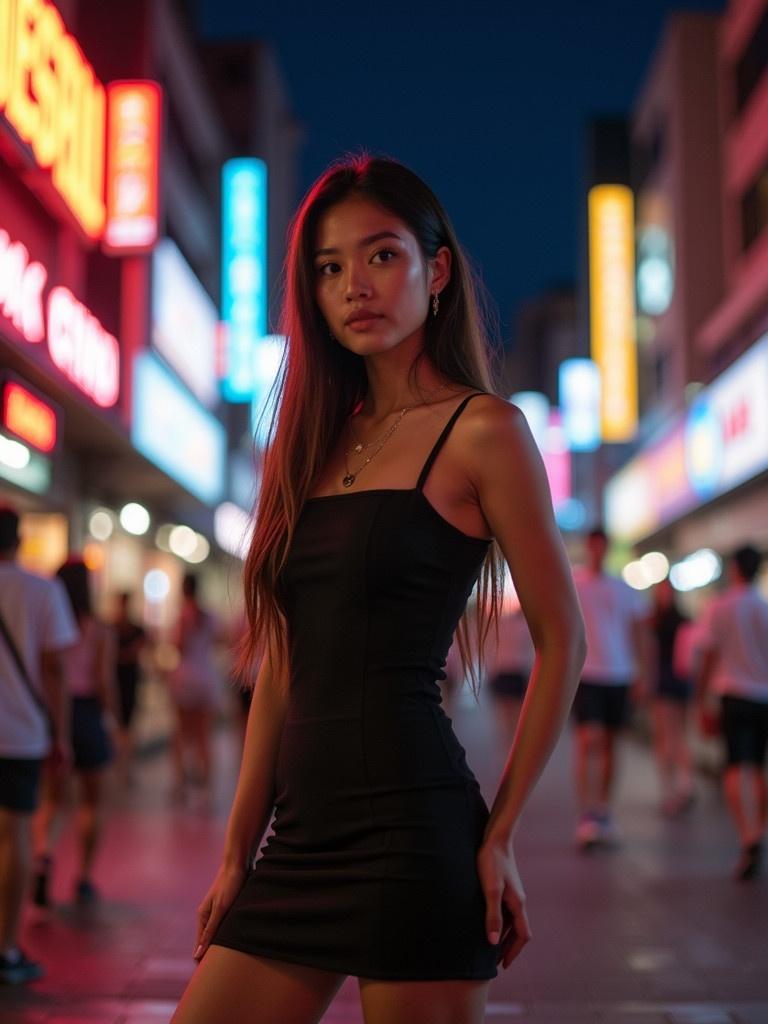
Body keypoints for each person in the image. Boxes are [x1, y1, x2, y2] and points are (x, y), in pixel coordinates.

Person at [172, 155, 586, 1024]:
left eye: (382, 255)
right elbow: (284, 667)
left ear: (436, 272)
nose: (355, 285)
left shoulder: (485, 433)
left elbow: (563, 640)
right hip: (301, 842)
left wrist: (500, 832)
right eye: (329, 267)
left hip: (417, 838)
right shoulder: (312, 442)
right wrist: (236, 856)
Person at [0, 505, 77, 984]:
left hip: (21, 733)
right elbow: (55, 670)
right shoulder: (42, 590)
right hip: (21, 733)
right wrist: (61, 734)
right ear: (18, 540)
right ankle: (6, 948)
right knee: (15, 836)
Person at [31, 558, 118, 908]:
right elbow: (103, 681)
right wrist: (113, 721)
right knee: (91, 802)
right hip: (86, 713)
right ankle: (83, 877)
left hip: (54, 713)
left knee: (52, 798)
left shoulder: (48, 624)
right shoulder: (98, 630)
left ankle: (43, 853)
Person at [571, 528, 650, 850]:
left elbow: (639, 631)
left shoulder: (625, 588)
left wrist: (644, 673)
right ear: (588, 547)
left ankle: (602, 810)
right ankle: (587, 812)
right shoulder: (575, 584)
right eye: (593, 546)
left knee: (610, 745)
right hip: (586, 673)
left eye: (602, 546)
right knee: (589, 738)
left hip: (620, 674)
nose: (598, 551)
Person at [697, 544, 768, 881]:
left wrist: (701, 696)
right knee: (758, 768)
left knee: (734, 768)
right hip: (763, 697)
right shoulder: (764, 607)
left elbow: (709, 654)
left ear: (735, 568)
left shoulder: (720, 607)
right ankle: (759, 832)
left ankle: (747, 836)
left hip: (731, 695)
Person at [168, 574, 221, 802]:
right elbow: (221, 640)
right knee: (203, 736)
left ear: (183, 590)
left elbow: (179, 646)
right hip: (206, 677)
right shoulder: (209, 616)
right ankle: (207, 789)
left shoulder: (182, 616)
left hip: (186, 677)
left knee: (181, 733)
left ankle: (180, 786)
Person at [648, 578, 696, 817]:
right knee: (680, 734)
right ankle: (685, 783)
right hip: (683, 680)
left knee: (666, 736)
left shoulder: (655, 622)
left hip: (665, 681)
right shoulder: (684, 619)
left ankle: (671, 789)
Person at [485, 595, 535, 746]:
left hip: (502, 670)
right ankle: (515, 742)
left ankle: (507, 741)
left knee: (504, 711)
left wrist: (490, 670)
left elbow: (491, 648)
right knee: (518, 712)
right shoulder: (526, 626)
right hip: (518, 671)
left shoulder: (502, 624)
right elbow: (530, 653)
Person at [113, 592, 147, 785]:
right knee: (122, 727)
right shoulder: (119, 628)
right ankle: (123, 768)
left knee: (126, 727)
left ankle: (124, 767)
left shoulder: (122, 629)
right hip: (121, 680)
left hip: (126, 681)